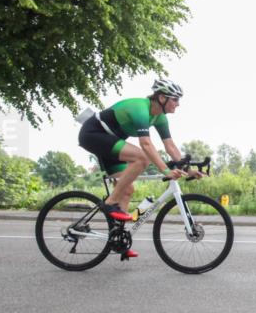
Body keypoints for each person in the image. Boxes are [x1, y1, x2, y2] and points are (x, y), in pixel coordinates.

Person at [77, 79, 204, 257]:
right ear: (161, 97)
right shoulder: (141, 108)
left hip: (109, 141)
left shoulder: (159, 117)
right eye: (175, 99)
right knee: (142, 158)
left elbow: (170, 147)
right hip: (93, 134)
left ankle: (118, 239)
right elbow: (145, 143)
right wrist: (166, 171)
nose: (178, 104)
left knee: (127, 189)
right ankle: (110, 203)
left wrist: (189, 169)